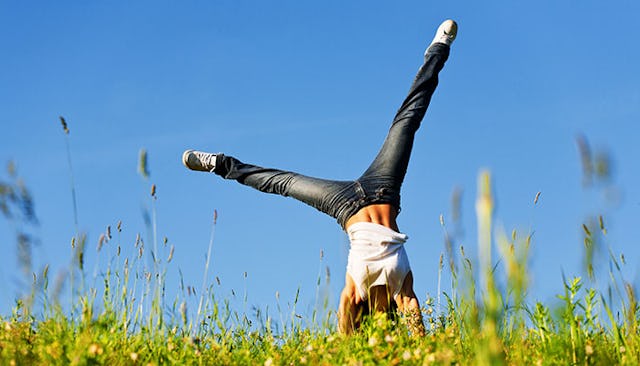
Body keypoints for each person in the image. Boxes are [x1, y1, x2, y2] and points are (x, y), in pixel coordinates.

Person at [182, 20, 457, 336]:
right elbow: (412, 311)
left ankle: (219, 164)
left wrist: (347, 342)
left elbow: (347, 315)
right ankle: (438, 49)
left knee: (283, 182)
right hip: (383, 189)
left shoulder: (359, 292)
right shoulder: (399, 288)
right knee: (405, 124)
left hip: (344, 206)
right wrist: (422, 350)